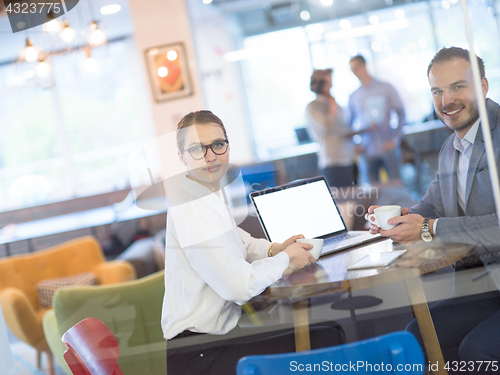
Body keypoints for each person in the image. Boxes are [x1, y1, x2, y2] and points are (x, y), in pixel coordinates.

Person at [162, 110, 345, 375]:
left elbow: (237, 239)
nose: (210, 155)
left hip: (217, 341)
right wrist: (286, 260)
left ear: (227, 146)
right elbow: (238, 286)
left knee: (328, 331)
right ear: (181, 156)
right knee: (325, 339)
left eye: (217, 144)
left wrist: (274, 248)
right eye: (196, 149)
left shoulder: (205, 192)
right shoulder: (192, 209)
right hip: (200, 357)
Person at [366, 47, 500, 363]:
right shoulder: (450, 148)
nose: (445, 101)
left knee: (476, 349)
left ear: (482, 87)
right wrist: (404, 218)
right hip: (488, 286)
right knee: (418, 334)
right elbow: (435, 205)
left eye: (458, 87)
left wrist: (427, 228)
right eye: (437, 91)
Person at [347, 55, 406, 184]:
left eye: (357, 68)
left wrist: (395, 139)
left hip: (387, 147)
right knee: (372, 192)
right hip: (367, 150)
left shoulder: (386, 88)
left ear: (364, 66)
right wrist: (354, 145)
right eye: (352, 70)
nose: (355, 72)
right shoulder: (354, 96)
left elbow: (401, 114)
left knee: (397, 186)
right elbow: (348, 125)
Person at [306, 69, 357, 187]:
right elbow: (325, 126)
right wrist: (331, 108)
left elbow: (343, 127)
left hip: (347, 158)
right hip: (332, 161)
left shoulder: (335, 104)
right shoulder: (313, 107)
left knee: (353, 199)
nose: (330, 85)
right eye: (327, 82)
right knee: (340, 200)